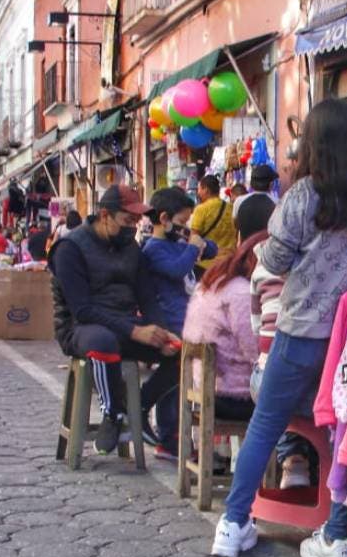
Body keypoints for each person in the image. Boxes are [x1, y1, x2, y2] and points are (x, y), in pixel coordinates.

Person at [209, 99, 347, 557]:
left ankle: (232, 525)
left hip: (300, 331)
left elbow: (272, 260)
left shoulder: (301, 195)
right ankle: (336, 536)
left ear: (311, 143)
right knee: (346, 431)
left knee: (266, 424)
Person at [48, 184, 181, 454]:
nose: (132, 227)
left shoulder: (131, 249)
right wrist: (134, 331)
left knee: (183, 351)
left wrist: (163, 332)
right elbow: (82, 309)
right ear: (105, 215)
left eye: (135, 221)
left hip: (124, 323)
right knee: (103, 340)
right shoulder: (70, 248)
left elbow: (147, 298)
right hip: (80, 328)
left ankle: (140, 407)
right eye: (127, 220)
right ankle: (113, 414)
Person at [142, 186, 217, 457]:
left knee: (176, 385)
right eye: (182, 221)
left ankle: (169, 437)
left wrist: (196, 241)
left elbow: (211, 249)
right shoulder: (154, 249)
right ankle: (148, 410)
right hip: (170, 320)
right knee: (174, 376)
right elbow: (177, 270)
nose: (186, 227)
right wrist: (191, 249)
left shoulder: (178, 243)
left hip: (188, 318)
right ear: (164, 219)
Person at [181, 233, 260, 439]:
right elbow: (256, 353)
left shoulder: (214, 281)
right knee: (292, 408)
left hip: (201, 387)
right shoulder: (242, 293)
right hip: (229, 396)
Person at [189, 175, 238, 271]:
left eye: (199, 189)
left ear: (206, 190)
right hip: (228, 262)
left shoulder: (201, 209)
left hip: (206, 265)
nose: (198, 192)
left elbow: (194, 238)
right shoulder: (231, 208)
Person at [235, 164, 278, 242]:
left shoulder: (239, 201)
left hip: (245, 250)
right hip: (266, 251)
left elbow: (236, 224)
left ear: (251, 183)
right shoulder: (277, 203)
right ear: (271, 184)